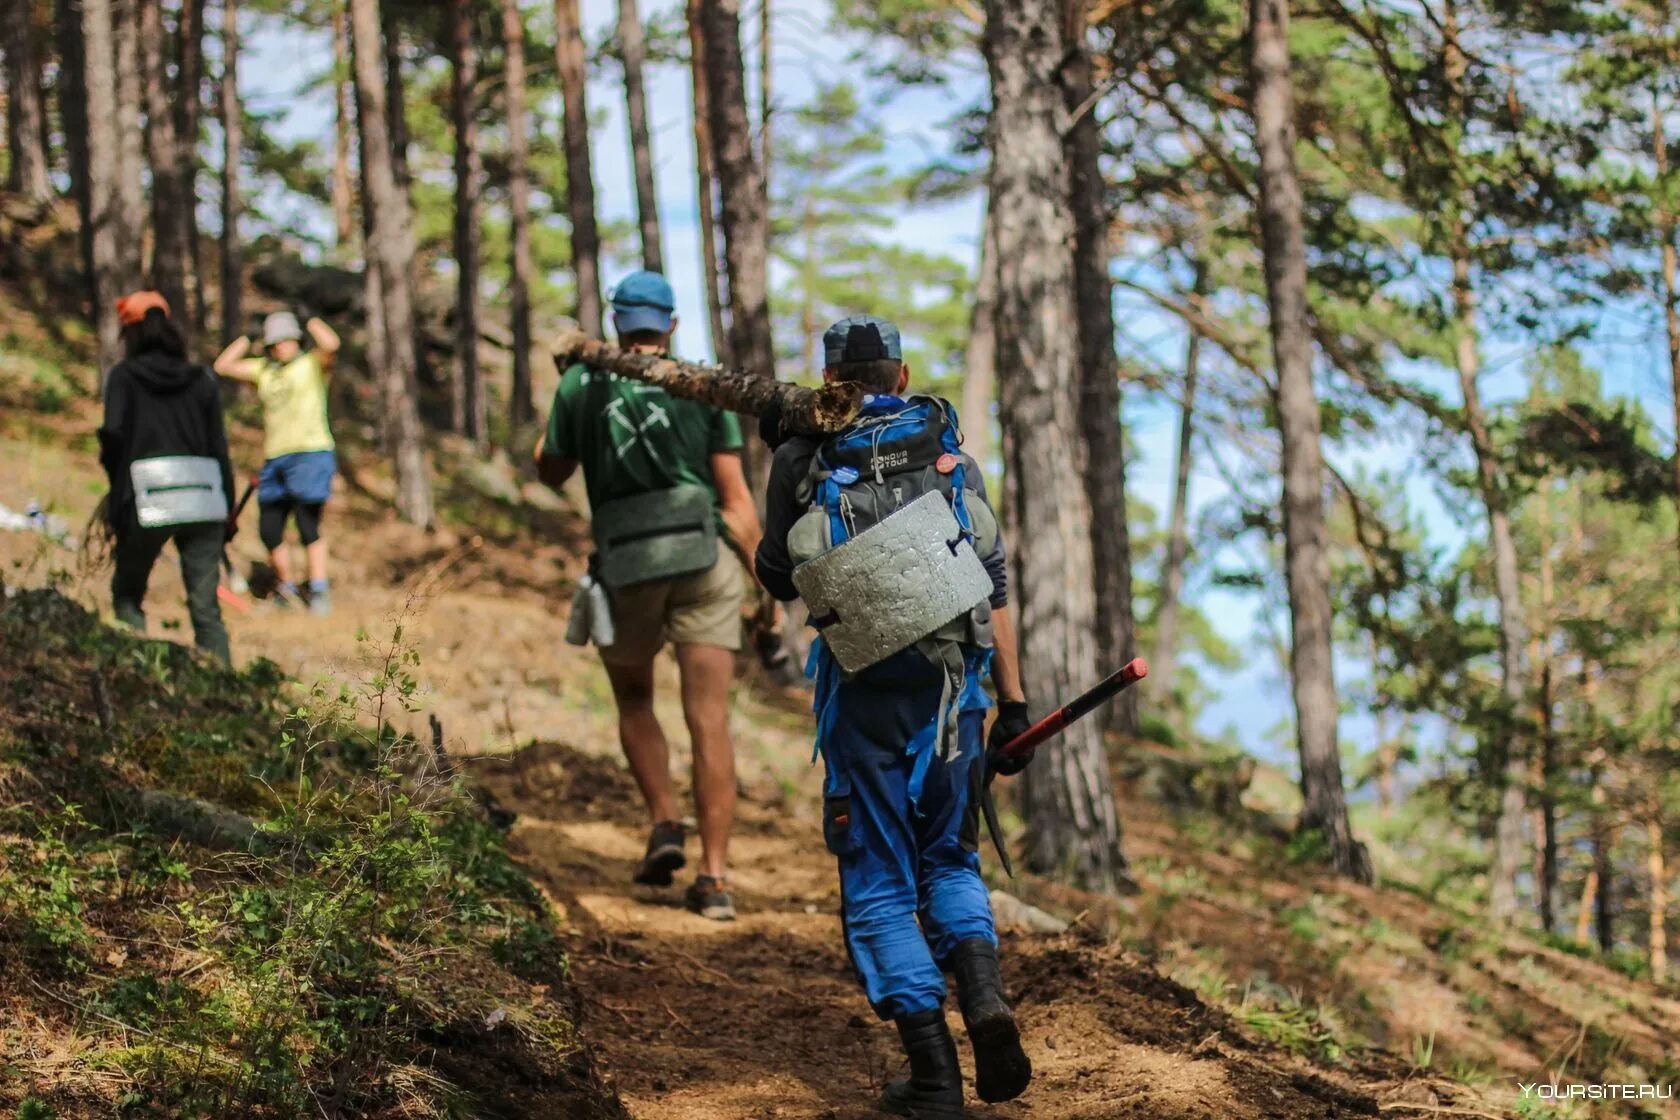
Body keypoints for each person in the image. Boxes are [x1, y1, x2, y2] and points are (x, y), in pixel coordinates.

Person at [755, 316, 1037, 1117]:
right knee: (949, 862)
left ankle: (936, 1079)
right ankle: (983, 998)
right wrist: (1011, 706)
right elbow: (994, 591)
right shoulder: (951, 457)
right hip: (955, 696)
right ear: (902, 376)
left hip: (864, 701)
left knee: (879, 883)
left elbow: (778, 576)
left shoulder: (801, 458)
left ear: (829, 384)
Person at [536, 270, 766, 921]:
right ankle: (716, 878)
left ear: (616, 323)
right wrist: (764, 583)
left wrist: (568, 393)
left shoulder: (584, 379)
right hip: (703, 560)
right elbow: (737, 501)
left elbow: (549, 468)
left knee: (636, 698)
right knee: (709, 717)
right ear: (669, 325)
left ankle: (666, 821)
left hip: (626, 563)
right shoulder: (700, 383)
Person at [98, 292, 236, 665]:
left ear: (130, 333)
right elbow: (219, 447)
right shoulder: (202, 379)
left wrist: (116, 501)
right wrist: (230, 510)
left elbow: (112, 436)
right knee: (207, 610)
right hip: (205, 497)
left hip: (147, 498)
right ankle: (229, 693)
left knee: (127, 594)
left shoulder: (123, 378)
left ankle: (138, 675)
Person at [212, 311, 340, 616]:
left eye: (286, 339)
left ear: (297, 339)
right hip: (275, 457)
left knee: (308, 525)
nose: (281, 345)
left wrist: (310, 318)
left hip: (311, 453)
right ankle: (287, 588)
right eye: (275, 341)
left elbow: (332, 344)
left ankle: (318, 591)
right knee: (269, 528)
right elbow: (222, 365)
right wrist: (247, 336)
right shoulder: (264, 371)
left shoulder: (311, 365)